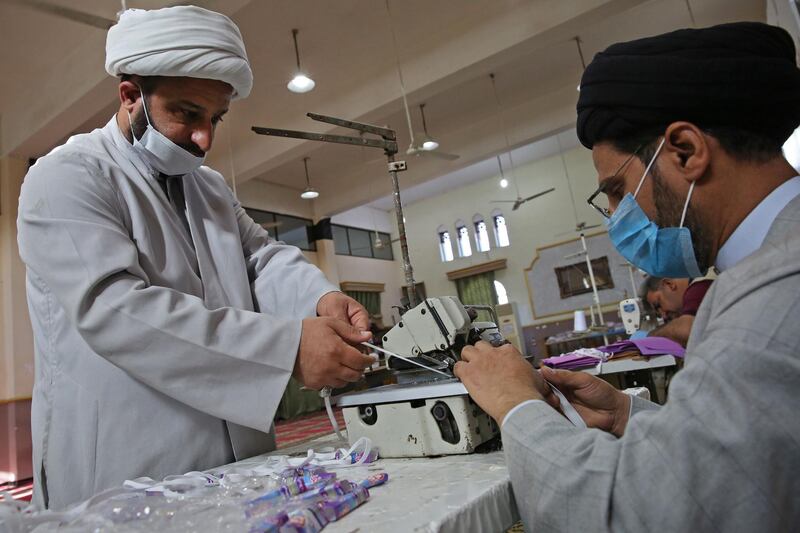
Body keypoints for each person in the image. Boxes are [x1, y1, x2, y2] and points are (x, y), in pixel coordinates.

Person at [17, 6, 374, 510]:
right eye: (187, 113)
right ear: (130, 95)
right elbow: (115, 310)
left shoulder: (207, 187)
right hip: (126, 467)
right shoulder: (68, 177)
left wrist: (322, 297)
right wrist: (286, 349)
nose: (205, 138)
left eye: (215, 118)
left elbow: (261, 258)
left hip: (237, 460)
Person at [455, 22, 800, 531]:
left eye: (617, 190)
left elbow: (640, 515)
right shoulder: (764, 271)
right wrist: (625, 415)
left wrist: (515, 403)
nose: (616, 216)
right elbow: (752, 463)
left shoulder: (774, 290)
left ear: (685, 150)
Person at [640, 273, 713, 346]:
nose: (664, 315)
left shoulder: (699, 288)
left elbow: (686, 331)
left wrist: (652, 336)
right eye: (658, 314)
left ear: (669, 284)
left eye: (658, 304)